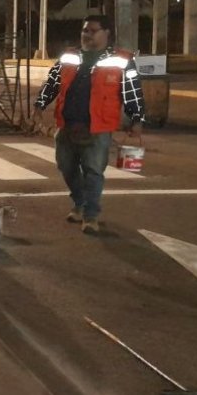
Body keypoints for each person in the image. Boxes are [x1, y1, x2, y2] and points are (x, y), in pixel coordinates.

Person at [34, 14, 144, 234]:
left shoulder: (122, 60)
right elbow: (53, 82)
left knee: (93, 171)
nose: (87, 35)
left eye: (93, 31)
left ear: (106, 33)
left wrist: (136, 118)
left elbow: (132, 91)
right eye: (85, 30)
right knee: (66, 166)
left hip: (98, 127)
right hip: (67, 124)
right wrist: (40, 103)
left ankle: (90, 215)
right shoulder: (69, 56)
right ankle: (80, 201)